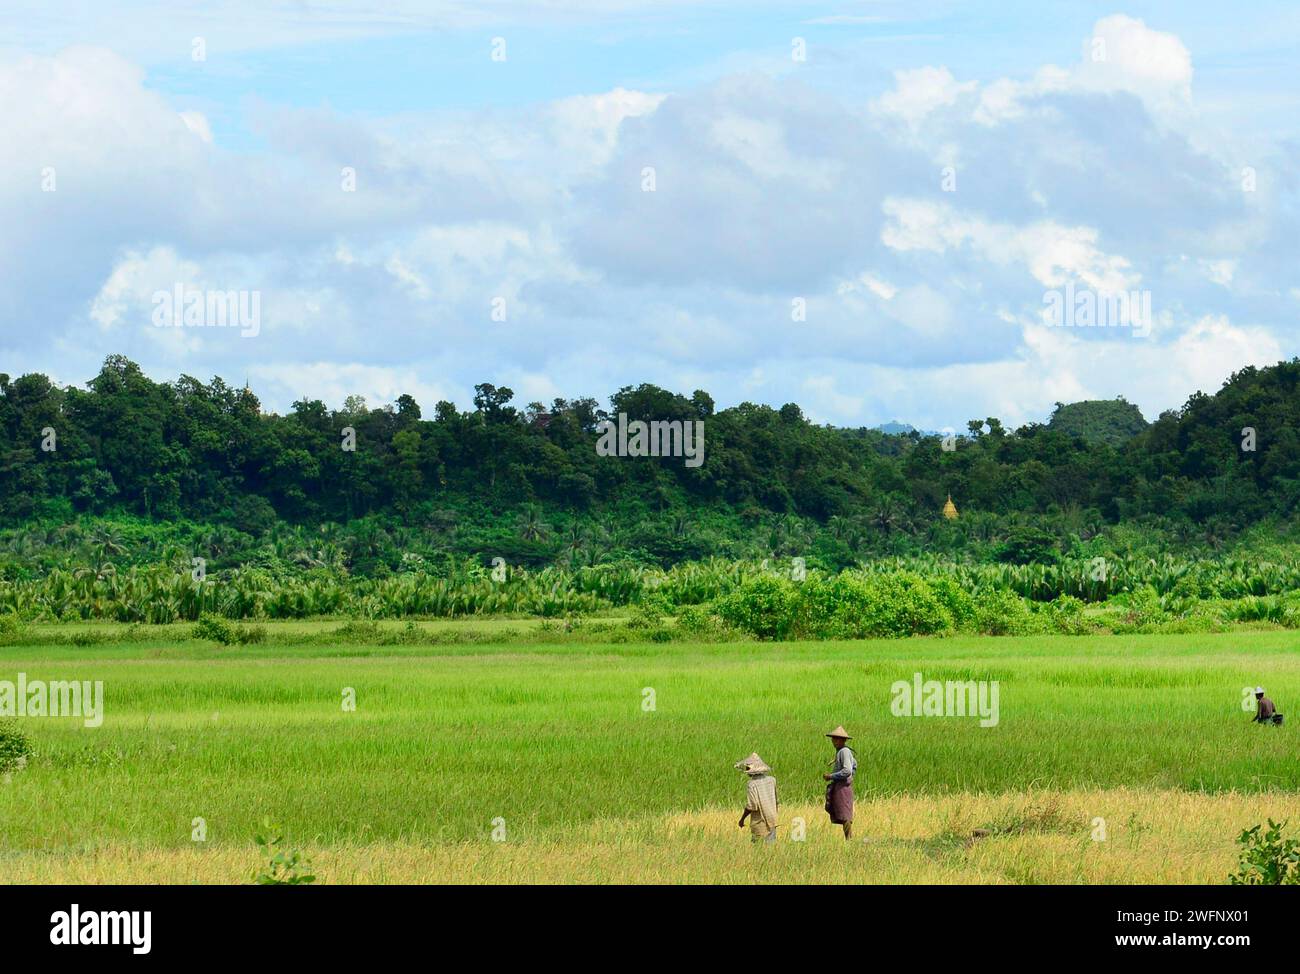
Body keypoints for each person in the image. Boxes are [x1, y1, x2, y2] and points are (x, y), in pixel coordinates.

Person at [735, 752, 779, 843]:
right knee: (771, 848)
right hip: (773, 819)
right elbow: (776, 800)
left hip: (760, 822)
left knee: (759, 850)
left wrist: (742, 819)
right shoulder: (772, 780)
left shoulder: (752, 784)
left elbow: (752, 805)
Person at [822, 725, 856, 840]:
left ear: (843, 740)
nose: (834, 741)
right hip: (841, 786)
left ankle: (849, 840)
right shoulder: (842, 752)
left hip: (843, 787)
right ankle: (848, 839)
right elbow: (854, 765)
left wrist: (831, 776)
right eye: (833, 739)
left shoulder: (844, 752)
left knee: (845, 815)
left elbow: (847, 770)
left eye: (837, 739)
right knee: (842, 813)